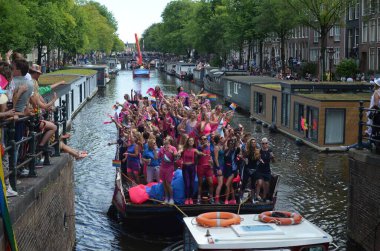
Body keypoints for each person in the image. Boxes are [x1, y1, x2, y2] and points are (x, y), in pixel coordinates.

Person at [180, 137, 207, 205]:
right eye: (190, 140)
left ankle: (191, 198)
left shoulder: (194, 150)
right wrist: (178, 152)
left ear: (193, 142)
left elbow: (199, 152)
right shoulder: (184, 149)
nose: (191, 141)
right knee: (187, 184)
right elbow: (179, 151)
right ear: (188, 142)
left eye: (192, 141)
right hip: (185, 167)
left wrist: (203, 154)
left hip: (192, 167)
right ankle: (187, 198)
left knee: (192, 184)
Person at [158, 136, 177, 204]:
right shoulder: (162, 148)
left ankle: (171, 198)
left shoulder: (173, 148)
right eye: (165, 139)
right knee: (164, 184)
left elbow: (176, 156)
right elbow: (157, 157)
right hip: (162, 168)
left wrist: (171, 152)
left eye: (166, 139)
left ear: (170, 141)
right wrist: (155, 150)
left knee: (168, 184)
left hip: (169, 168)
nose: (165, 140)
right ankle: (166, 198)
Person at [255, 137, 274, 202]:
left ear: (267, 144)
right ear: (261, 144)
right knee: (259, 183)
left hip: (267, 170)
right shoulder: (259, 150)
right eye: (263, 143)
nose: (264, 145)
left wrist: (272, 157)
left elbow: (273, 161)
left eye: (266, 143)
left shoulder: (270, 151)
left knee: (266, 184)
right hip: (260, 169)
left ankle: (264, 197)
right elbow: (257, 158)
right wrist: (260, 160)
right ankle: (257, 196)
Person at [242, 138, 260, 203]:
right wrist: (244, 160)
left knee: (253, 185)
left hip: (254, 170)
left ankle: (252, 199)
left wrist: (260, 160)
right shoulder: (246, 151)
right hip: (247, 169)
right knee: (244, 183)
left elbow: (258, 160)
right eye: (252, 142)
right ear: (250, 144)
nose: (253, 143)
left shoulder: (257, 151)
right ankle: (241, 198)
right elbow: (243, 157)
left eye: (254, 142)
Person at [196, 136, 213, 204]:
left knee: (211, 183)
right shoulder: (198, 147)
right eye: (202, 139)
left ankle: (211, 197)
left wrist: (212, 161)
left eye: (205, 139)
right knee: (200, 184)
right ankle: (199, 198)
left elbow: (212, 156)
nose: (203, 140)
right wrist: (203, 146)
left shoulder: (210, 147)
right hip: (200, 166)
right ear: (200, 140)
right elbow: (199, 152)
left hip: (208, 167)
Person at [223, 138, 239, 205]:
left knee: (227, 184)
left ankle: (226, 200)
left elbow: (238, 147)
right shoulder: (226, 150)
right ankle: (233, 199)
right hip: (227, 169)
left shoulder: (235, 150)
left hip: (233, 170)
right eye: (230, 143)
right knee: (231, 185)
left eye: (232, 143)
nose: (231, 144)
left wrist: (237, 139)